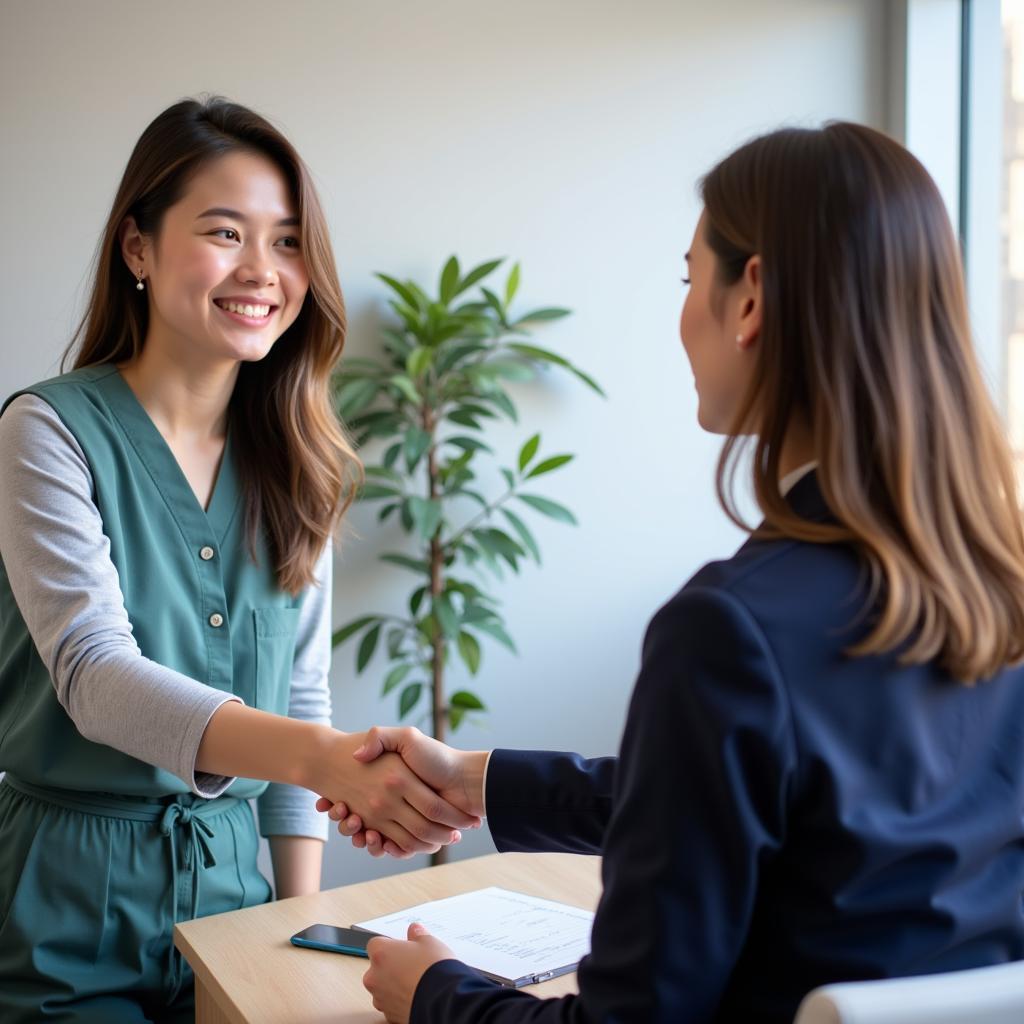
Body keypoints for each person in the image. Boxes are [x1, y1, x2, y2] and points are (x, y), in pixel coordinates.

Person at [321, 122, 1024, 1023]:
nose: (685, 310)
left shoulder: (733, 628)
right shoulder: (991, 587)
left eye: (692, 278)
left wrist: (439, 995)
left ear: (751, 297)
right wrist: (478, 779)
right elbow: (782, 812)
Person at [0, 97, 478, 1022]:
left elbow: (302, 697)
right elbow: (95, 676)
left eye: (289, 241)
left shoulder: (299, 460)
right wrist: (324, 760)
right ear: (137, 248)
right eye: (226, 233)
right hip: (64, 909)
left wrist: (302, 926)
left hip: (237, 899)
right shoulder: (46, 432)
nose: (263, 270)